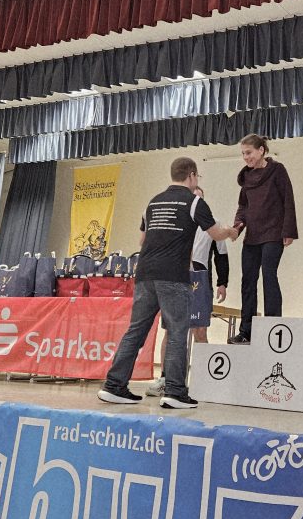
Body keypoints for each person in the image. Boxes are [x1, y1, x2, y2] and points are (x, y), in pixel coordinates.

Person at [99, 158, 238, 408]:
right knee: (177, 332)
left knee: (135, 331)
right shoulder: (194, 202)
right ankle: (175, 392)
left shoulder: (153, 202)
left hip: (145, 274)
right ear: (192, 176)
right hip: (173, 275)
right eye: (197, 177)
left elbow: (142, 241)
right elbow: (217, 234)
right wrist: (231, 231)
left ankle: (114, 385)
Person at [146, 184, 229, 397]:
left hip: (200, 281)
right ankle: (165, 379)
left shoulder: (214, 224)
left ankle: (203, 381)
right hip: (175, 277)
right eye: (192, 197)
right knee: (171, 329)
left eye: (199, 198)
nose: (195, 201)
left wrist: (223, 282)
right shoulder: (174, 221)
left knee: (200, 331)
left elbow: (221, 255)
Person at [227, 134, 298, 345]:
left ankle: (272, 326)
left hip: (273, 234)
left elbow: (288, 200)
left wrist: (288, 231)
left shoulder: (277, 170)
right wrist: (237, 227)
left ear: (261, 150)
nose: (245, 157)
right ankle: (246, 330)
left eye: (248, 152)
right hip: (252, 236)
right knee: (248, 281)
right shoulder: (246, 177)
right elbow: (243, 206)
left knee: (269, 276)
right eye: (243, 154)